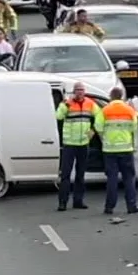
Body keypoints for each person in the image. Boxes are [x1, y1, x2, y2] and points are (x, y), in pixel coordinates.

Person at [98, 87, 138, 215]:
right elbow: (135, 127)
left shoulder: (105, 110)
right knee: (128, 179)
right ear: (121, 96)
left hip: (109, 150)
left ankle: (109, 207)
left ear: (111, 96)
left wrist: (105, 137)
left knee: (112, 179)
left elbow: (98, 127)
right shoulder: (129, 110)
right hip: (126, 149)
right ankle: (131, 206)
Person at [55, 82, 99, 211]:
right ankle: (63, 202)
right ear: (74, 91)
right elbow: (58, 116)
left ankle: (78, 201)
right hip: (69, 144)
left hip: (83, 144)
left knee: (81, 174)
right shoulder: (67, 103)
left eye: (82, 90)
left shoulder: (90, 103)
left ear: (84, 91)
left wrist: (93, 130)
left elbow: (100, 116)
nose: (80, 92)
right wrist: (65, 105)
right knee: (65, 175)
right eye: (78, 90)